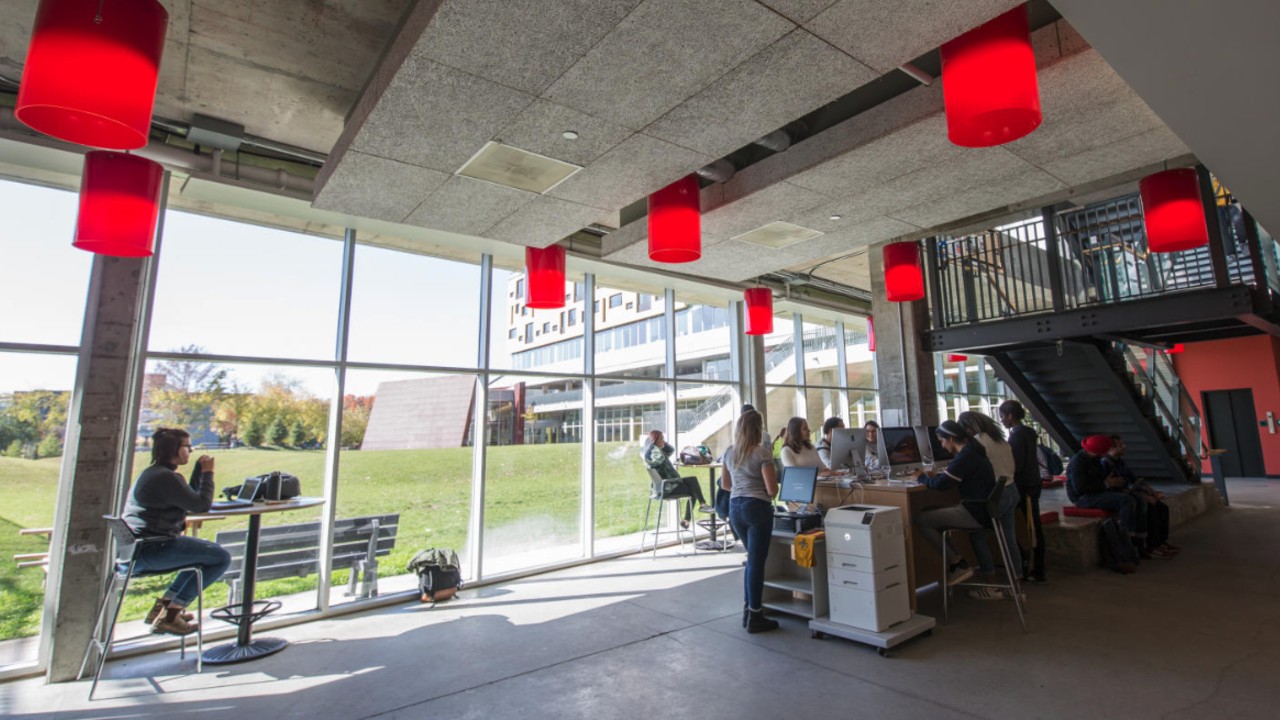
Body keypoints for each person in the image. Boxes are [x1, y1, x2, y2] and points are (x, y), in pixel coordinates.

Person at [122, 427, 232, 635]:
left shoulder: (155, 474)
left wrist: (198, 472)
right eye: (187, 447)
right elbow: (200, 505)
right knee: (221, 558)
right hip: (154, 549)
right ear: (175, 449)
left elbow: (189, 499)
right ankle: (171, 615)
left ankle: (164, 607)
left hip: (138, 549)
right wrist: (208, 473)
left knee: (201, 556)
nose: (190, 451)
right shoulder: (165, 478)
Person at [914, 420, 998, 587]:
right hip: (983, 510)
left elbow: (941, 485)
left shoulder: (965, 456)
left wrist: (920, 477)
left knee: (921, 519)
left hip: (974, 513)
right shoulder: (973, 452)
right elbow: (949, 478)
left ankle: (957, 565)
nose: (942, 445)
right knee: (930, 510)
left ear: (951, 439)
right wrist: (938, 476)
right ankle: (957, 561)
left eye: (942, 441)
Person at [721, 409, 779, 634]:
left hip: (735, 508)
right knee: (756, 562)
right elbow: (772, 490)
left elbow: (725, 485)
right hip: (757, 508)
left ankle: (748, 609)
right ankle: (755, 614)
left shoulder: (729, 452)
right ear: (758, 428)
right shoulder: (763, 453)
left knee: (751, 560)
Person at [957, 411, 1023, 599]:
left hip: (995, 496)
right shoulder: (1000, 439)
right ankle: (1016, 587)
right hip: (1011, 490)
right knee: (1009, 539)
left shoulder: (978, 442)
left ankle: (990, 586)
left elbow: (966, 466)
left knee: (977, 537)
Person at [1067, 434, 1147, 561]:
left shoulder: (1095, 459)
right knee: (1126, 500)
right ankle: (1125, 537)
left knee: (1138, 499)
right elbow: (1080, 488)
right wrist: (1107, 483)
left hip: (1097, 492)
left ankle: (1140, 540)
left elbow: (1100, 479)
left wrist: (1111, 482)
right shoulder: (1078, 462)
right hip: (1083, 498)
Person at [1103, 435, 1179, 558]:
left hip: (1128, 492)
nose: (1124, 447)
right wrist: (1144, 497)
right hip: (1120, 495)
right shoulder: (1106, 463)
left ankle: (1161, 541)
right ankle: (1150, 546)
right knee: (1150, 509)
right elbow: (1114, 488)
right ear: (1111, 449)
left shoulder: (1120, 462)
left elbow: (1134, 479)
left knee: (1163, 508)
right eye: (1120, 445)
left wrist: (1151, 491)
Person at [999, 400, 1048, 583]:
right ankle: (1036, 568)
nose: (1002, 420)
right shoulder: (1028, 432)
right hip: (1032, 484)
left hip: (1024, 486)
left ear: (1010, 416)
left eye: (1002, 416)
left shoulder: (1017, 436)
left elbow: (1017, 464)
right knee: (1033, 526)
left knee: (1030, 529)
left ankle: (1035, 569)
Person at [641, 430, 712, 528]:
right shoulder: (656, 454)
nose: (664, 441)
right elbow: (660, 459)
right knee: (693, 488)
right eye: (661, 439)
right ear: (654, 441)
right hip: (668, 487)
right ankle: (700, 506)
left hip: (662, 487)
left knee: (692, 481)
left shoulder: (654, 453)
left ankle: (691, 516)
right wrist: (657, 446)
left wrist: (661, 443)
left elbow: (671, 450)